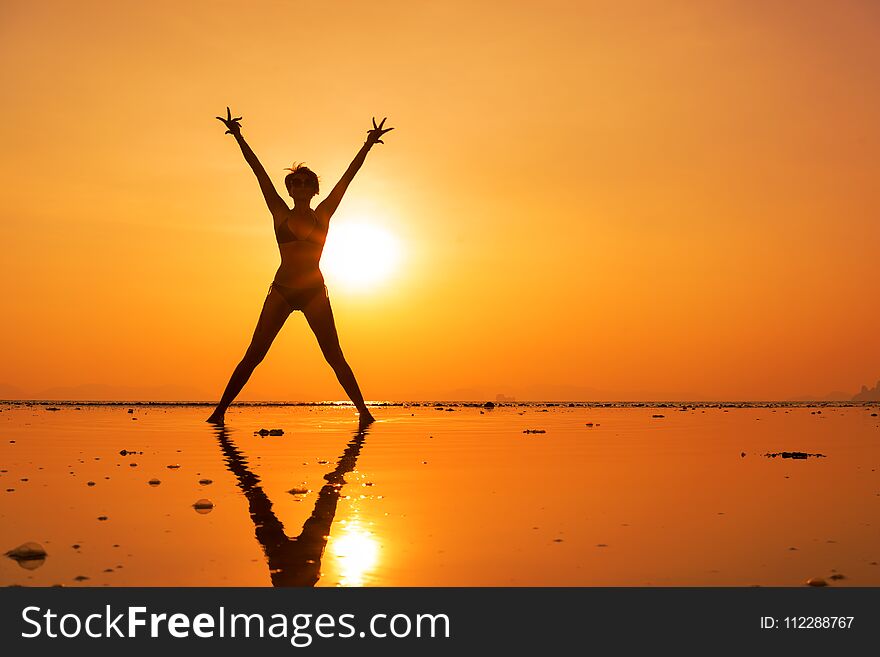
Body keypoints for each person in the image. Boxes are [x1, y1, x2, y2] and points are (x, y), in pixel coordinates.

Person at [207, 108, 393, 425]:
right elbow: (259, 173)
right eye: (296, 182)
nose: (302, 186)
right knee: (254, 354)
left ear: (314, 189)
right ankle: (219, 413)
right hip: (281, 291)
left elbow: (348, 178)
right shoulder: (279, 211)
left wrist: (367, 144)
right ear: (290, 188)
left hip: (313, 292)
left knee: (334, 355)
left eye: (307, 182)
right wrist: (239, 137)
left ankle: (365, 414)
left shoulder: (323, 213)